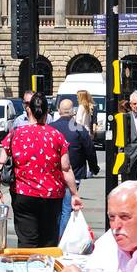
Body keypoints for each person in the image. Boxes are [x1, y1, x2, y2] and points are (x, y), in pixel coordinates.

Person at [0, 91, 82, 247]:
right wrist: (74, 194)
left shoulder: (16, 134)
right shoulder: (57, 136)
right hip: (51, 196)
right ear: (47, 112)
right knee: (48, 242)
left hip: (23, 195)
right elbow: (66, 169)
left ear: (29, 110)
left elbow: (1, 164)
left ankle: (28, 269)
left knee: (27, 241)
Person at [49, 98, 98, 239]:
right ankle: (61, 239)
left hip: (53, 176)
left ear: (59, 110)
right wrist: (94, 168)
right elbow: (90, 150)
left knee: (55, 210)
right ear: (73, 112)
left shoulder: (51, 128)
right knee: (66, 210)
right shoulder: (79, 129)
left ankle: (54, 237)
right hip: (74, 175)